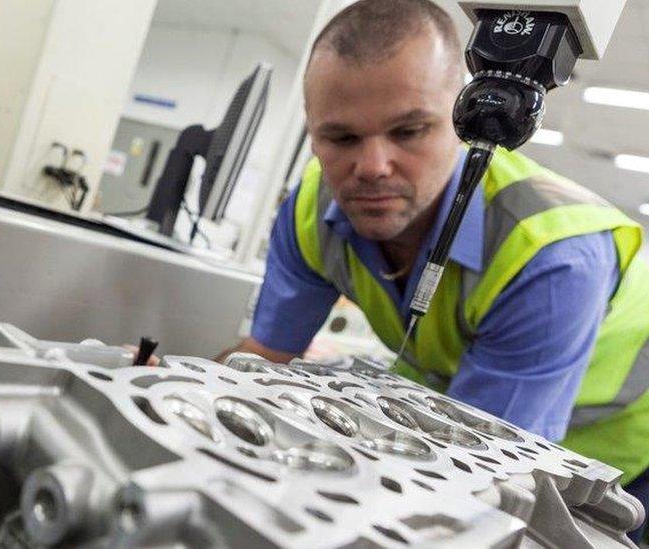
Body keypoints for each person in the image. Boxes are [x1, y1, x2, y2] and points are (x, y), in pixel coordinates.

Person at [219, 0, 649, 539]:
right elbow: (265, 358)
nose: (372, 168)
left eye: (409, 131)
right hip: (453, 412)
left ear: (463, 119)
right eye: (342, 138)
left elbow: (482, 469)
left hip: (610, 452)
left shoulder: (549, 251)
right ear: (313, 135)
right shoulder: (310, 210)